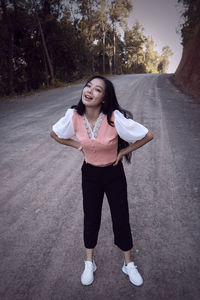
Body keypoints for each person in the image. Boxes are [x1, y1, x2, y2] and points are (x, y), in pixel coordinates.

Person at [50, 75, 153, 287]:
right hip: (90, 175)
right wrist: (74, 144)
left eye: (97, 89)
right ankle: (89, 262)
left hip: (113, 175)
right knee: (91, 217)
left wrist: (124, 151)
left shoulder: (114, 118)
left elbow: (147, 135)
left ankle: (128, 264)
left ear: (104, 98)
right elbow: (55, 133)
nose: (89, 91)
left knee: (120, 217)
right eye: (88, 86)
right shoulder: (74, 115)